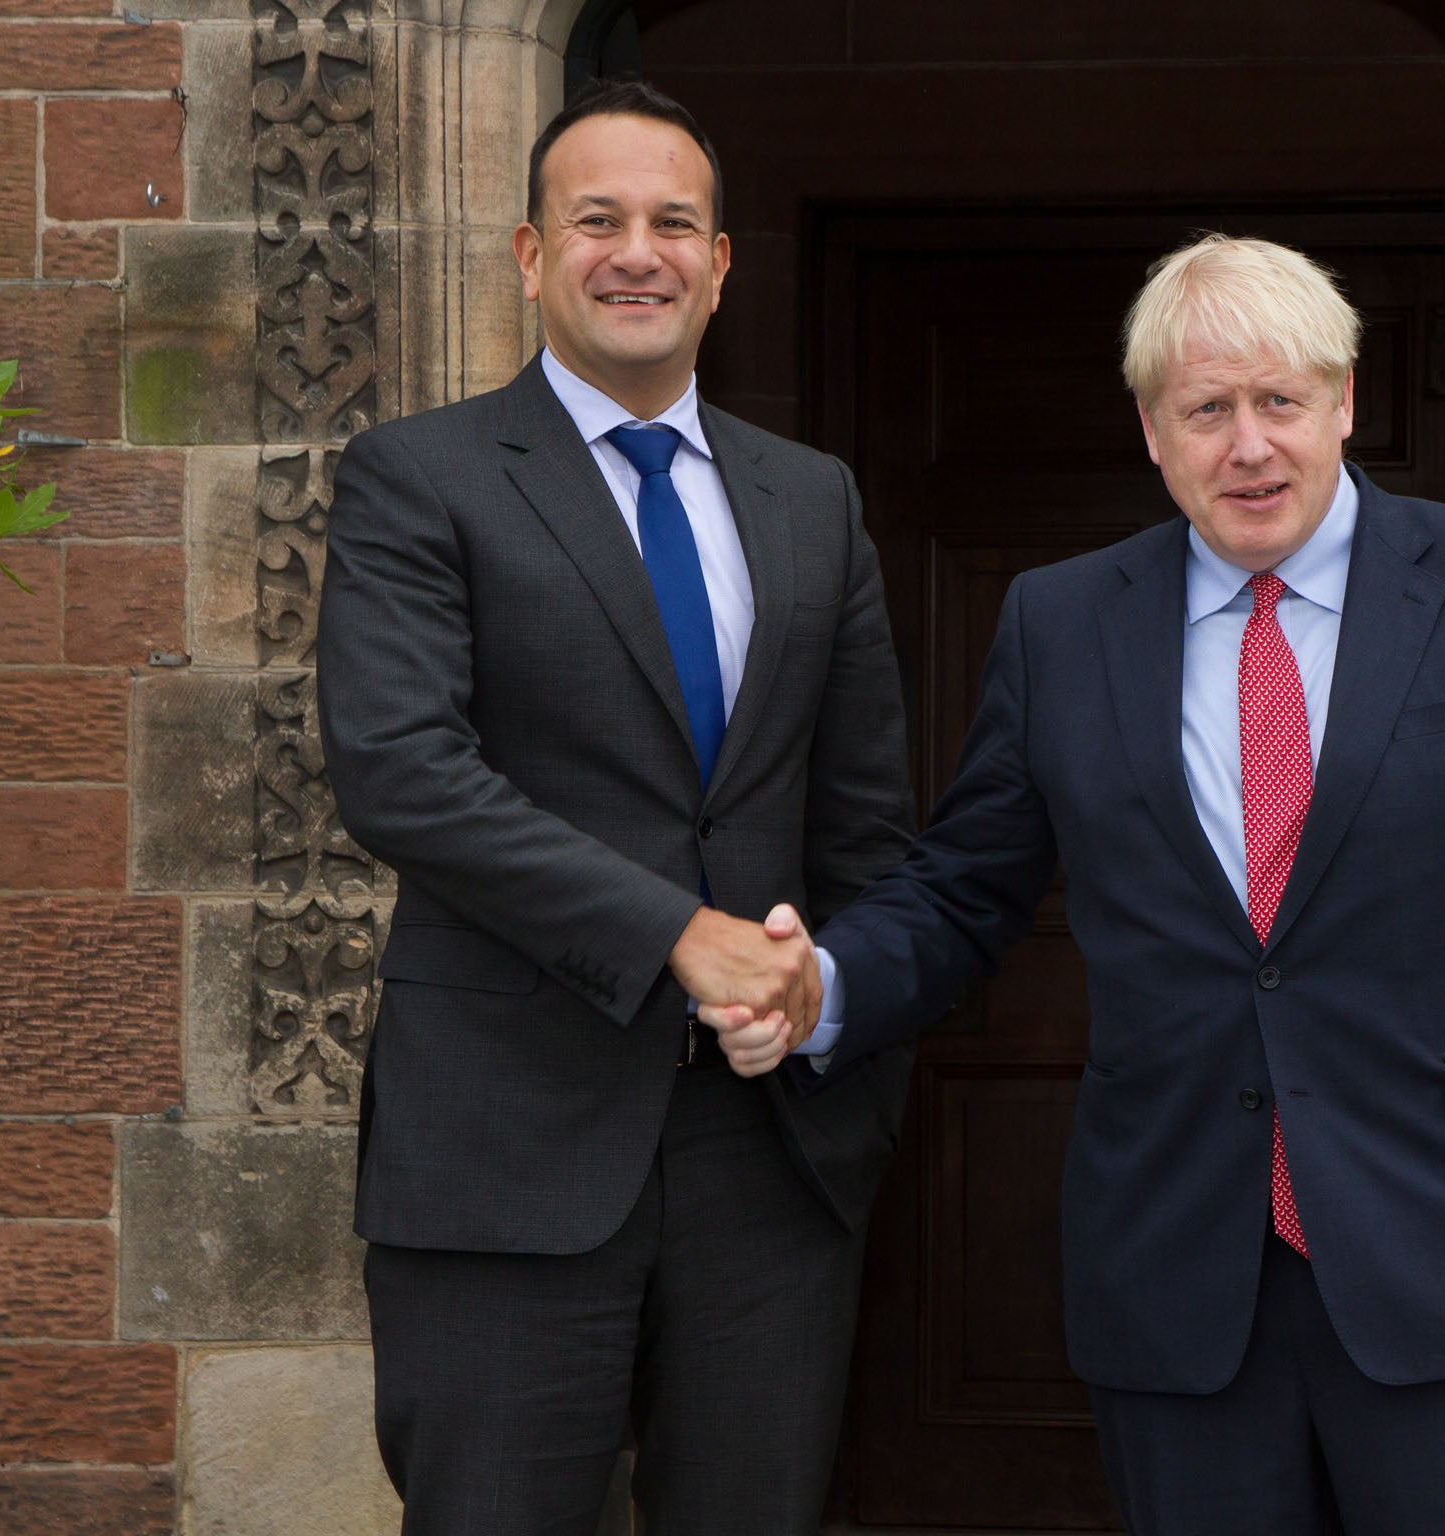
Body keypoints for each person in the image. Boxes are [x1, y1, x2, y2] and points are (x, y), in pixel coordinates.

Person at [712, 234, 1445, 1533]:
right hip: (1181, 1280)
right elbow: (969, 888)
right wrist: (825, 986)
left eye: (1279, 401)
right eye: (1208, 409)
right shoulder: (1060, 622)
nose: (1248, 445)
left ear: (1346, 401)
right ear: (1152, 431)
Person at [315, 78, 914, 1535]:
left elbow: (866, 825)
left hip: (769, 1168)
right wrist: (677, 937)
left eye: (673, 224)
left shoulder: (812, 500)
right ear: (531, 255)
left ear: (721, 267)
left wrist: (820, 989)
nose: (636, 251)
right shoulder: (421, 478)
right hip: (507, 1154)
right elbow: (403, 770)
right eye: (598, 221)